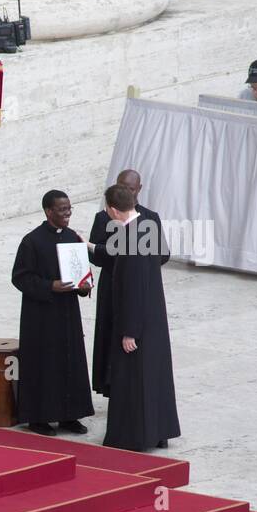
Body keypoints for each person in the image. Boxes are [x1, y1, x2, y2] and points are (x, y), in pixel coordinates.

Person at [100, 184, 181, 451]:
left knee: (133, 382)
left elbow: (134, 288)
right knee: (154, 378)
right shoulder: (148, 228)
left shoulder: (131, 240)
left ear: (113, 210)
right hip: (153, 317)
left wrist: (129, 331)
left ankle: (133, 436)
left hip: (138, 323)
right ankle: (157, 432)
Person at [11, 191, 94, 436]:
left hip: (67, 313)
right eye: (62, 209)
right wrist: (50, 286)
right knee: (44, 364)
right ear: (49, 211)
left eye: (69, 209)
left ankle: (70, 415)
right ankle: (38, 418)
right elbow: (20, 277)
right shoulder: (32, 241)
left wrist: (85, 286)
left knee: (70, 360)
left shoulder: (72, 238)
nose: (67, 213)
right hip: (41, 315)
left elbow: (81, 271)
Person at [87, 169, 162, 397]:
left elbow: (163, 254)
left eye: (129, 188)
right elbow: (94, 256)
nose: (125, 192)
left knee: (132, 335)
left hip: (138, 285)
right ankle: (108, 384)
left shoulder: (149, 218)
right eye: (121, 187)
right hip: (112, 283)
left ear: (138, 189)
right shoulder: (103, 217)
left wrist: (132, 259)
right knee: (109, 331)